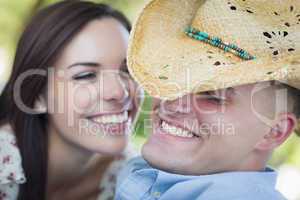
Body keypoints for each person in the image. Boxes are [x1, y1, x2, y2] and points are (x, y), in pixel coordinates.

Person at [116, 0, 300, 199]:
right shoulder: (137, 171)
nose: (174, 103)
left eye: (213, 96)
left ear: (273, 131)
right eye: (174, 79)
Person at [0, 1, 141, 199]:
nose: (119, 92)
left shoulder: (135, 181)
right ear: (37, 97)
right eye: (85, 76)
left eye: (128, 70)